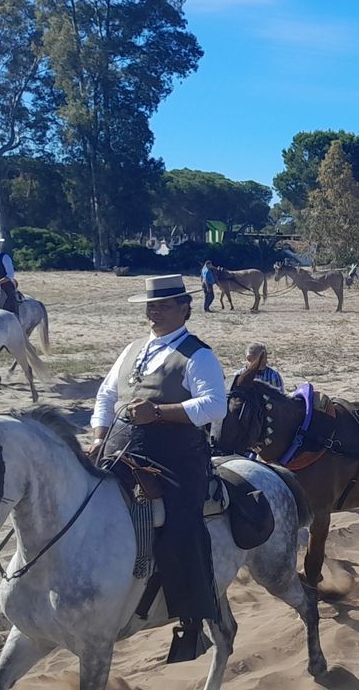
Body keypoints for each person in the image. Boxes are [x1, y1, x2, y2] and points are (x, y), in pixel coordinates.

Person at [90, 275, 223, 662]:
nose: (154, 311)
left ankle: (191, 617)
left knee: (183, 527)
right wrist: (99, 436)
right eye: (150, 305)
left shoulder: (198, 355)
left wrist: (160, 413)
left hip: (175, 459)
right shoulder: (132, 349)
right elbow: (106, 394)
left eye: (164, 305)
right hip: (118, 449)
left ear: (185, 307)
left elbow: (215, 406)